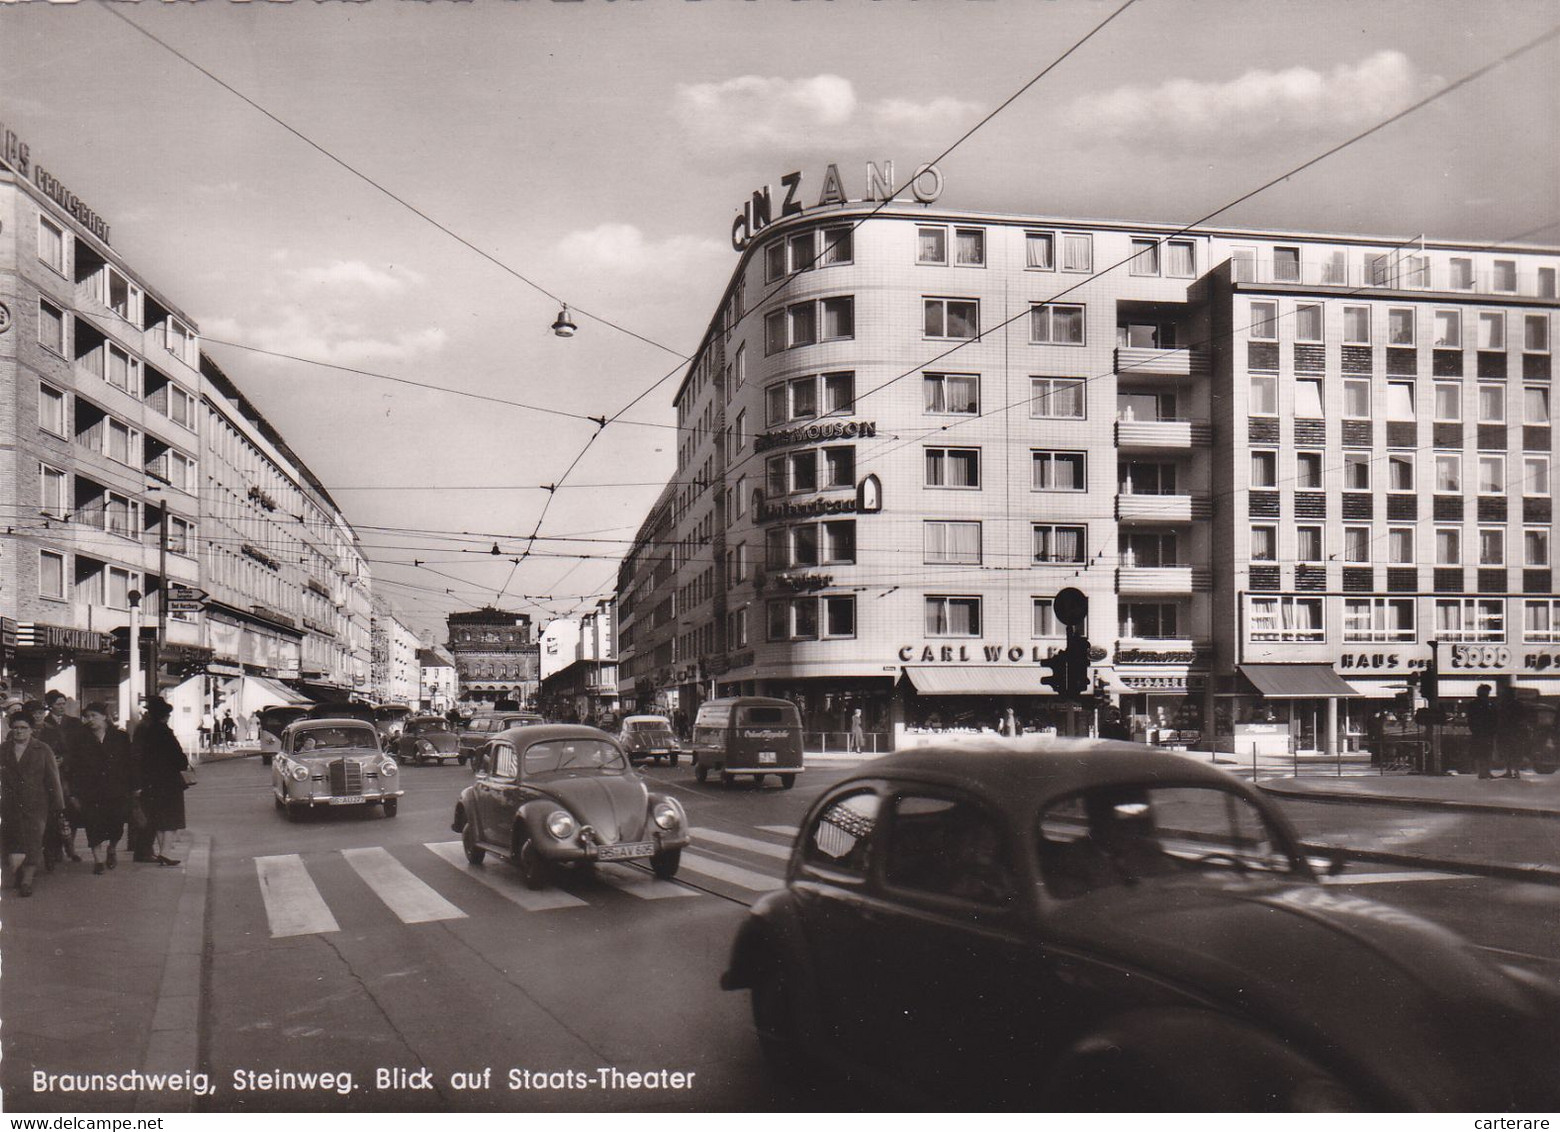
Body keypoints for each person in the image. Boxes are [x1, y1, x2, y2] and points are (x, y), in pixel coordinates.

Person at [67, 703, 136, 875]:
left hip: (116, 789)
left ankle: (112, 848)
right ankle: (98, 861)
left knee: (117, 824)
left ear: (105, 716)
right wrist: (74, 793)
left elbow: (130, 763)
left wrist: (135, 786)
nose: (90, 720)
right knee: (93, 824)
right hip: (91, 791)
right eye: (87, 717)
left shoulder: (120, 737)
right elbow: (73, 767)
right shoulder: (80, 738)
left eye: (94, 716)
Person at [2, 711, 66, 897]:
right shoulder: (3, 749)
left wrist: (58, 806)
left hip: (36, 804)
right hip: (8, 805)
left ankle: (27, 881)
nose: (19, 732)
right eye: (15, 728)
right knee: (12, 840)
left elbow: (53, 779)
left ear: (31, 730)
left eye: (23, 728)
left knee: (32, 841)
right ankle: (17, 873)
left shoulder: (43, 749)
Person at [132, 697, 188, 867]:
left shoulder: (145, 731)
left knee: (157, 818)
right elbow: (180, 760)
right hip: (169, 782)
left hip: (150, 782)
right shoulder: (165, 732)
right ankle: (165, 853)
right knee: (171, 819)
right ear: (164, 716)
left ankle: (162, 852)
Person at [37, 692, 86, 861]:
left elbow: (80, 748)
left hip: (70, 773)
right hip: (51, 773)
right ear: (50, 705)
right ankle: (55, 849)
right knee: (55, 811)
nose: (62, 707)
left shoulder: (74, 723)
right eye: (58, 704)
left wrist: (66, 759)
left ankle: (70, 847)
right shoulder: (43, 724)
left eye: (63, 703)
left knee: (71, 811)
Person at [1465, 684, 1498, 780]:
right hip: (1484, 731)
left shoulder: (1475, 704)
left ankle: (1484, 771)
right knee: (1485, 752)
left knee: (1482, 752)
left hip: (1482, 731)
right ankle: (1484, 771)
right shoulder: (1489, 704)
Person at [1495, 686, 1528, 780]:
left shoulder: (1502, 704)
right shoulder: (1519, 704)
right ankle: (1516, 771)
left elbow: (1499, 717)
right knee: (1516, 751)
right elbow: (1523, 718)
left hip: (1505, 731)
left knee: (1507, 751)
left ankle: (1509, 771)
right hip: (1516, 732)